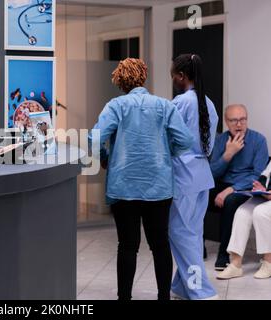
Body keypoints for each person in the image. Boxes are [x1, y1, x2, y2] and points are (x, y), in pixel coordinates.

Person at [90, 58, 193, 300]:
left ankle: (124, 297)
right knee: (160, 245)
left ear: (120, 81)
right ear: (143, 77)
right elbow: (186, 140)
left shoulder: (115, 106)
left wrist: (105, 157)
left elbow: (94, 138)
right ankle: (163, 297)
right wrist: (168, 153)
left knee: (127, 246)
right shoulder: (164, 106)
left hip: (122, 186)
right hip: (158, 187)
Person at [168, 54, 219, 300]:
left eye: (173, 74)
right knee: (193, 233)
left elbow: (169, 138)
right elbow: (209, 146)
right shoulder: (208, 103)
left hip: (183, 175)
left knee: (179, 232)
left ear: (181, 76)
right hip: (202, 175)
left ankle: (203, 292)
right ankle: (182, 287)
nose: (173, 79)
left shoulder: (180, 102)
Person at [209, 104, 268, 270]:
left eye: (243, 119)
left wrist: (230, 190)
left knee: (231, 201)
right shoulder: (220, 140)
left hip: (246, 187)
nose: (239, 124)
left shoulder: (259, 140)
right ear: (227, 123)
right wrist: (228, 155)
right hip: (223, 182)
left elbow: (258, 175)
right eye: (234, 120)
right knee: (197, 192)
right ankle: (197, 246)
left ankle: (224, 254)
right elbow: (212, 173)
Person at [216, 162, 271, 280]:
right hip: (267, 196)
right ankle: (236, 264)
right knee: (242, 212)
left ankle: (269, 262)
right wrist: (260, 188)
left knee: (261, 212)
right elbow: (265, 174)